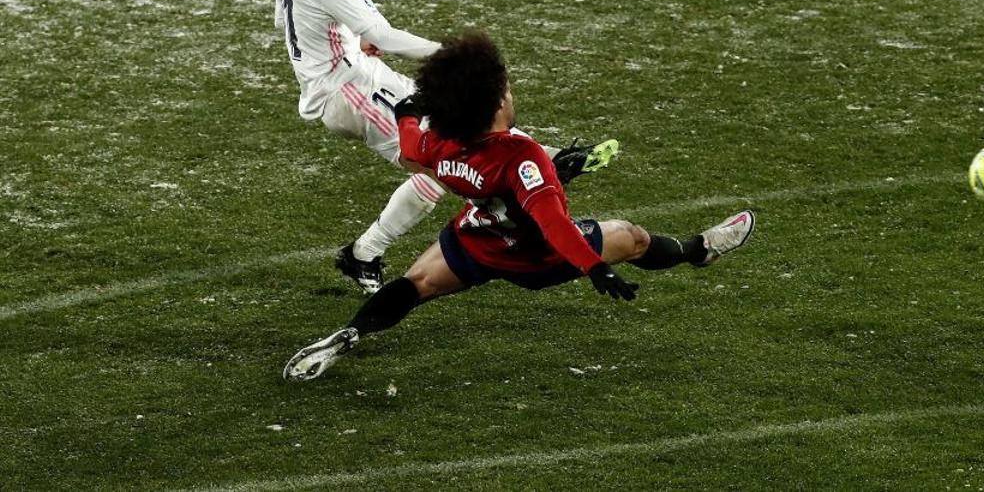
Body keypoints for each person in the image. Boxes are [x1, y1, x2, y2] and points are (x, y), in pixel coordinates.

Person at [283, 30, 755, 382]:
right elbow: (552, 222)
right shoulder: (522, 157)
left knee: (416, 283)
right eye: (505, 90)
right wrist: (594, 267)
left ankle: (350, 334)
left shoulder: (443, 143)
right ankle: (701, 250)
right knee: (632, 237)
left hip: (476, 239)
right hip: (534, 258)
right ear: (493, 106)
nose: (511, 94)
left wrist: (408, 110)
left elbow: (411, 150)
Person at [271, 0, 619, 294]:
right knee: (443, 160)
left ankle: (554, 158)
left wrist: (346, 35)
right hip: (346, 90)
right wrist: (453, 56)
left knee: (450, 135)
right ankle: (366, 253)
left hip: (355, 73)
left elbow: (287, 16)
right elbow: (383, 36)